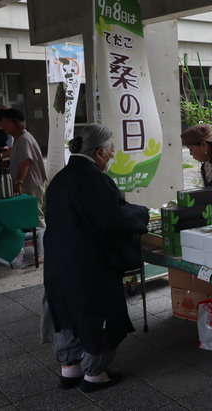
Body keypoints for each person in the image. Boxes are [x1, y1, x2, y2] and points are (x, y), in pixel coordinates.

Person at [43, 124, 149, 393]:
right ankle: (95, 374)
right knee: (96, 314)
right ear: (99, 151)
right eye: (110, 152)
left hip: (58, 262)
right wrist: (143, 213)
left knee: (65, 311)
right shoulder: (94, 180)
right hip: (88, 265)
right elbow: (115, 217)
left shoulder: (61, 178)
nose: (111, 157)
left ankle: (70, 369)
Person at [0, 108, 47, 226]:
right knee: (28, 216)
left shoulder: (24, 139)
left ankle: (42, 242)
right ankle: (35, 241)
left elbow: (26, 162)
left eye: (5, 121)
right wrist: (9, 163)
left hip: (30, 184)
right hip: (26, 184)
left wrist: (18, 183)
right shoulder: (18, 139)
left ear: (15, 122)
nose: (2, 125)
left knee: (35, 216)